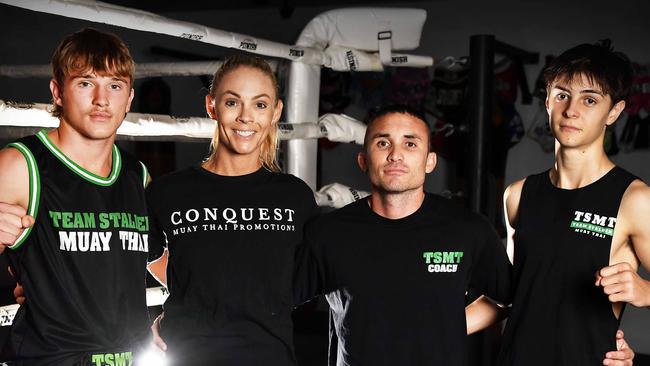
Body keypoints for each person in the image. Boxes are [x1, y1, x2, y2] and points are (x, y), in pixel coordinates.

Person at [293, 105, 514, 366]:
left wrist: (449, 324)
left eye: (410, 144)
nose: (395, 155)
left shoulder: (468, 229)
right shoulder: (328, 232)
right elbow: (272, 300)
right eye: (383, 143)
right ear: (363, 160)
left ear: (429, 161)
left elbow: (508, 299)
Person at [144, 55, 317, 366]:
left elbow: (304, 277)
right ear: (212, 106)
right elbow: (149, 255)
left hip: (269, 358)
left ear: (276, 111)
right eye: (232, 103)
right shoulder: (167, 192)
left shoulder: (294, 197)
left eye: (260, 105)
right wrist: (196, 291)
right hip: (187, 355)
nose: (246, 117)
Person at [0, 28, 152, 365]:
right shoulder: (21, 166)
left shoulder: (136, 175)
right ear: (57, 91)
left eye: (114, 85)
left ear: (129, 98)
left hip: (133, 357)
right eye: (85, 83)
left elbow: (154, 267)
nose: (101, 100)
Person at [498, 41, 647, 366]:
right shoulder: (517, 194)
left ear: (614, 112)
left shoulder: (635, 200)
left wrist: (645, 292)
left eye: (589, 99)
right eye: (562, 94)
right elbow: (510, 297)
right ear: (548, 100)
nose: (571, 110)